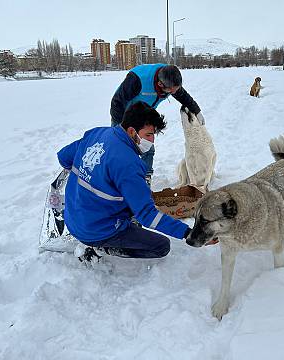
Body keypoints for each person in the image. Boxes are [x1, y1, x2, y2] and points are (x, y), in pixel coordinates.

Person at [57, 101, 192, 263]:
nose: (152, 141)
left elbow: (63, 157)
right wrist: (186, 233)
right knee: (161, 246)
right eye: (148, 135)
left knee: (134, 197)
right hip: (96, 231)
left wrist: (91, 175)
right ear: (131, 131)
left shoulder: (97, 134)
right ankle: (102, 247)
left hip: (72, 218)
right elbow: (147, 215)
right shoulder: (128, 163)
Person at [110, 64, 204, 185]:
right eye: (172, 91)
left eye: (176, 89)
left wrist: (197, 111)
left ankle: (145, 177)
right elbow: (117, 102)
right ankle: (118, 180)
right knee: (120, 150)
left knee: (148, 147)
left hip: (144, 113)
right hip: (123, 114)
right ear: (160, 84)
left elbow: (184, 97)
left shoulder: (170, 79)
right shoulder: (137, 79)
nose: (175, 92)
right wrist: (122, 128)